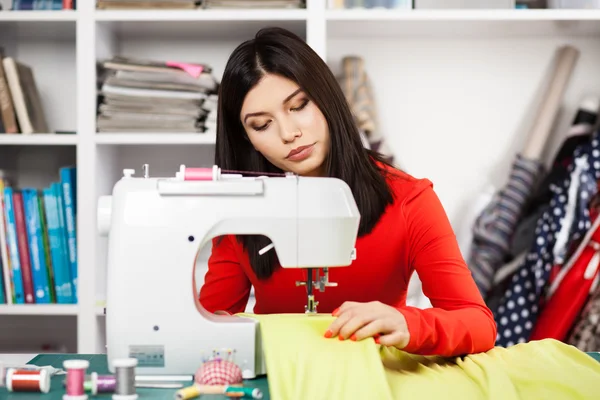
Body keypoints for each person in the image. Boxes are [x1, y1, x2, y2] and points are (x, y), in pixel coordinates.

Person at [199, 26, 497, 357]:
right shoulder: (240, 212)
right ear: (245, 138)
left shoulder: (410, 200)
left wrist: (407, 323)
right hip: (285, 377)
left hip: (375, 377)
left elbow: (478, 324)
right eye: (262, 125)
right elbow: (210, 325)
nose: (289, 133)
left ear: (327, 97)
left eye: (299, 106)